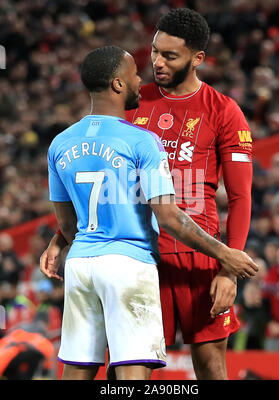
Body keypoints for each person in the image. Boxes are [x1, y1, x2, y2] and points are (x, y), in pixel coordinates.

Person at [41, 44, 258, 380]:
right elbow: (169, 216)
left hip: (82, 261)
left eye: (166, 55)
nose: (144, 75)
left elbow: (68, 221)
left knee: (78, 367)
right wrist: (227, 255)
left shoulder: (60, 142)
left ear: (196, 57)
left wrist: (64, 240)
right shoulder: (141, 139)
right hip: (132, 261)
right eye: (134, 74)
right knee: (132, 371)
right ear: (117, 84)